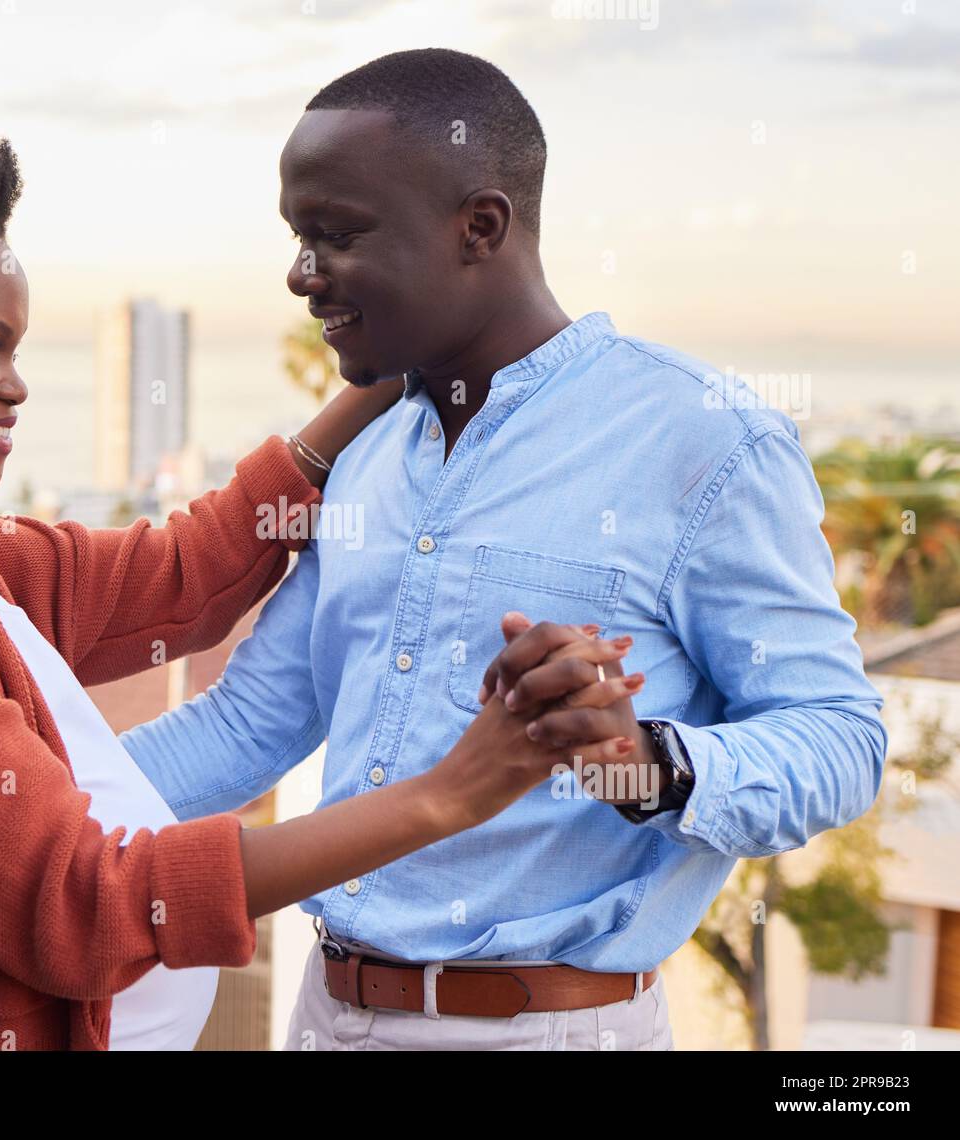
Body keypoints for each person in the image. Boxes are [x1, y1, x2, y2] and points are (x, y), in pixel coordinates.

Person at [0, 111, 636, 1051]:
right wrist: (450, 794)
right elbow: (79, 905)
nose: (16, 386)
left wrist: (387, 361)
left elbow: (179, 578)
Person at [121, 49, 889, 1050]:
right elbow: (251, 726)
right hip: (322, 1018)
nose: (300, 275)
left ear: (479, 227)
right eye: (297, 239)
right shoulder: (367, 454)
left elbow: (841, 740)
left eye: (335, 236)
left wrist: (638, 761)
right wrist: (6, 792)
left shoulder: (702, 438)